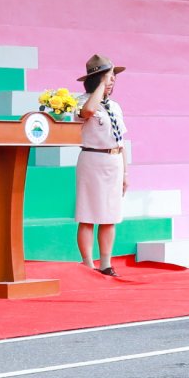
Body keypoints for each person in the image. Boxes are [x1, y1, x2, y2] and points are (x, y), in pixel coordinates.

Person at [74, 54, 131, 276]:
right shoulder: (82, 101)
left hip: (113, 161)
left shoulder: (115, 106)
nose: (112, 81)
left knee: (110, 215)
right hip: (92, 161)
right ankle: (88, 264)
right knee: (88, 214)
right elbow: (87, 112)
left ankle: (106, 263)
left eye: (114, 77)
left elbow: (121, 141)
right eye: (108, 76)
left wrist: (125, 172)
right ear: (96, 79)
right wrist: (100, 86)